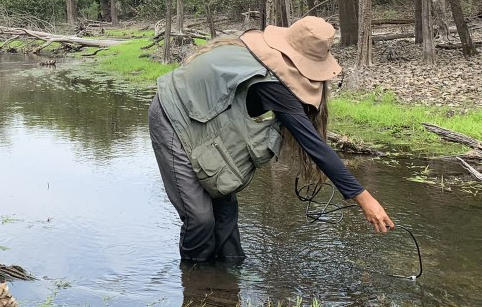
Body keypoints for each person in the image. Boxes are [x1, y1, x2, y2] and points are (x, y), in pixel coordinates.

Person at [148, 16, 394, 263]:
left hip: (204, 118)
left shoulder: (270, 67)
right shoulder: (272, 82)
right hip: (170, 114)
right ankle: (195, 284)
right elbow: (314, 145)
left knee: (225, 212)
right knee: (200, 218)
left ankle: (230, 279)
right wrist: (364, 198)